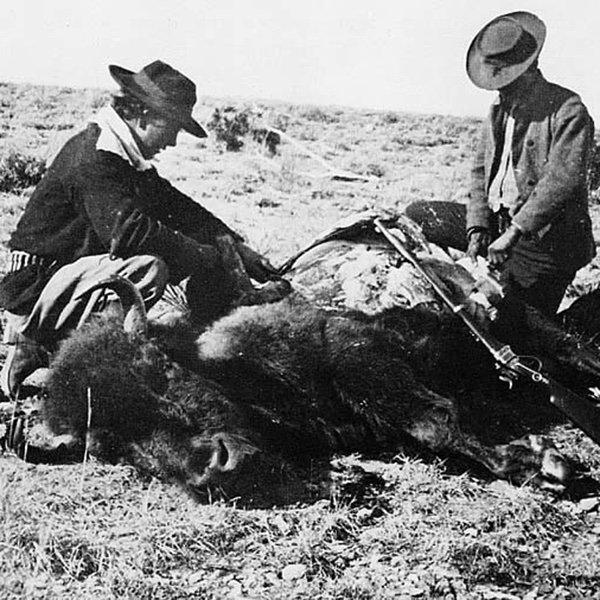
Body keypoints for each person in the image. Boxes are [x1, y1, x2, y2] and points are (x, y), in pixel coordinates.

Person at [0, 60, 287, 399]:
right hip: (35, 290)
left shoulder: (121, 153)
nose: (175, 142)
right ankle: (51, 352)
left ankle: (67, 348)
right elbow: (128, 233)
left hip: (63, 281)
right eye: (174, 127)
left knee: (157, 262)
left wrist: (234, 245)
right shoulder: (96, 156)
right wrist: (204, 255)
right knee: (147, 268)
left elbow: (176, 206)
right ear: (144, 115)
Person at [405, 11, 595, 317]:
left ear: (530, 70)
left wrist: (514, 232)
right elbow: (480, 173)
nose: (499, 87)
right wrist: (476, 227)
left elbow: (563, 182)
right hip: (500, 225)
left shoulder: (568, 110)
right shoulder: (498, 110)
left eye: (506, 78)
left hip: (547, 245)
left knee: (504, 319)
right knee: (417, 215)